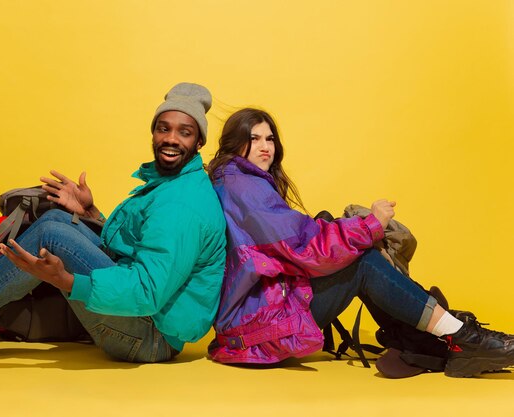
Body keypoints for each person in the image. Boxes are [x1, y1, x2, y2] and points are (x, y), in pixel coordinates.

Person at [0, 82, 227, 364]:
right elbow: (144, 253)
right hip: (145, 319)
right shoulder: (172, 185)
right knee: (58, 218)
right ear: (153, 132)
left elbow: (148, 291)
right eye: (163, 128)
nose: (171, 139)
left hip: (149, 337)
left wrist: (69, 281)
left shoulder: (182, 203)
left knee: (52, 232)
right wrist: (91, 214)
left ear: (198, 143)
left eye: (184, 132)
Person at [205, 107, 514, 378]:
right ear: (236, 144)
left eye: (269, 139)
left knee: (338, 233)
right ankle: (462, 337)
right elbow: (302, 247)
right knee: (362, 261)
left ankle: (419, 337)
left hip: (255, 320)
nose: (265, 147)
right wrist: (369, 225)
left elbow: (294, 241)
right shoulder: (244, 188)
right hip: (257, 332)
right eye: (254, 138)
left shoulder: (236, 181)